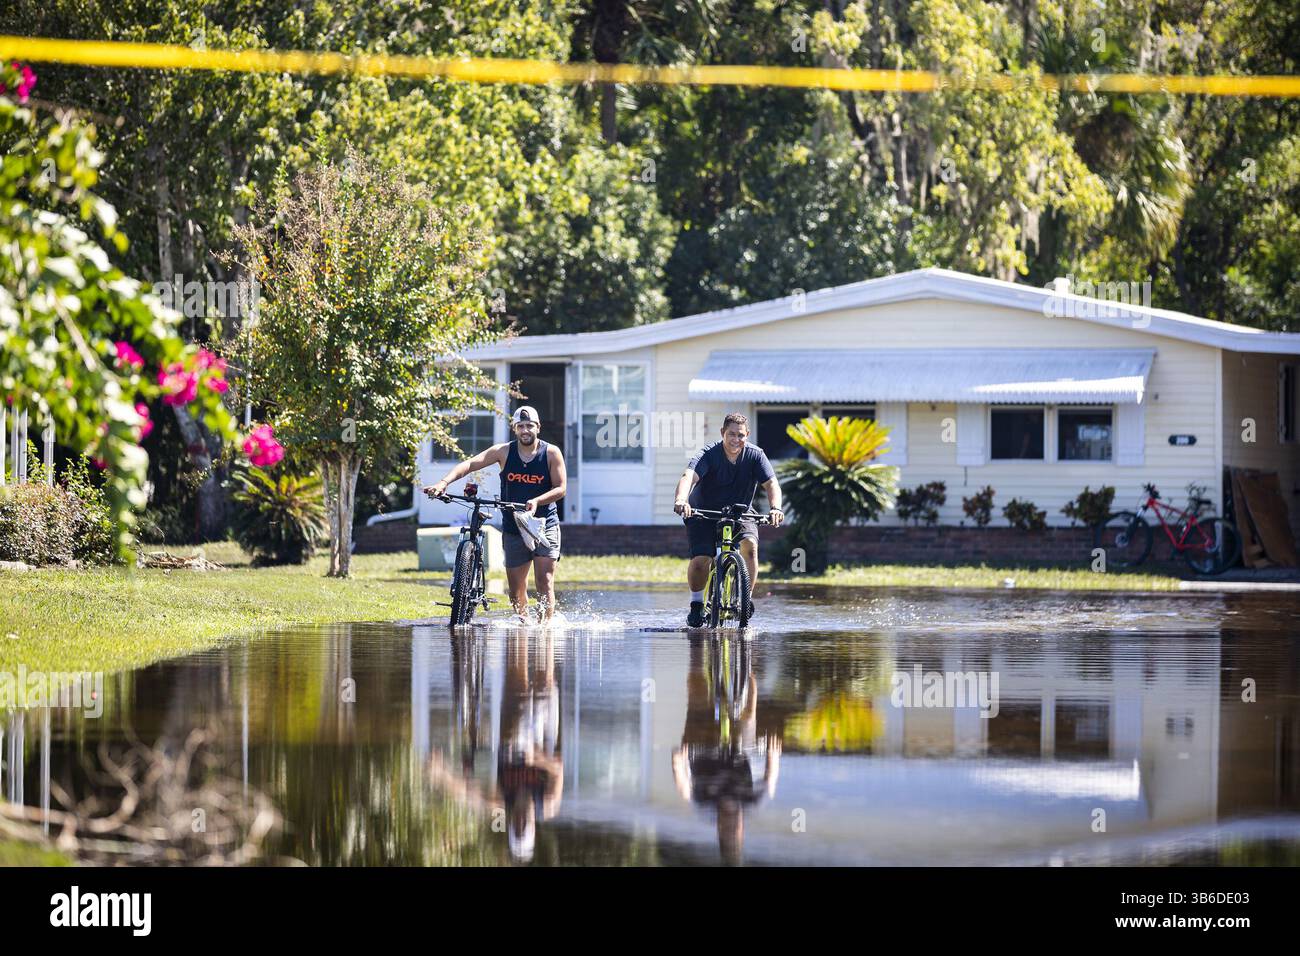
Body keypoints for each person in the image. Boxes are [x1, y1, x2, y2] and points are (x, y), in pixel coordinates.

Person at [424, 406, 567, 623]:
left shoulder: (550, 453)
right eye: (520, 426)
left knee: (544, 580)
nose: (525, 430)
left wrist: (537, 501)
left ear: (538, 427)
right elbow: (471, 463)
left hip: (543, 523)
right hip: (513, 525)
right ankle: (524, 626)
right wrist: (443, 483)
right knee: (516, 590)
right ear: (514, 429)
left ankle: (545, 630)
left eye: (530, 425)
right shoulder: (504, 452)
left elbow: (561, 488)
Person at [673, 412, 784, 628]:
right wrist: (681, 500)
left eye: (741, 435)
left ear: (747, 435)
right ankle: (696, 605)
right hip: (703, 512)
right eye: (731, 434)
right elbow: (688, 477)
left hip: (740, 511)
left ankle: (745, 598)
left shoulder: (755, 455)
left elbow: (772, 484)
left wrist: (775, 508)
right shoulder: (709, 454)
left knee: (750, 547)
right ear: (723, 433)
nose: (736, 440)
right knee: (701, 559)